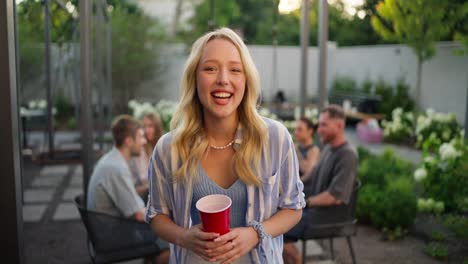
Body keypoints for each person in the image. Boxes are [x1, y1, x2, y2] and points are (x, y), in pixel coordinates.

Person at [145, 27, 305, 264]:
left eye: (235, 70)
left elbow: (294, 208)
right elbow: (157, 214)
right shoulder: (169, 148)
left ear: (246, 80)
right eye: (210, 68)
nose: (223, 79)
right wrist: (185, 236)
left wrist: (254, 234)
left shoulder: (275, 138)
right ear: (194, 78)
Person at [87, 115, 169, 263]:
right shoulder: (116, 168)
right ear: (129, 141)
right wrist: (170, 220)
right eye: (140, 137)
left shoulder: (112, 160)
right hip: (114, 236)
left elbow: (130, 197)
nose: (144, 141)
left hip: (109, 229)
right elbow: (138, 214)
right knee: (173, 244)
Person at [283, 105, 358, 264]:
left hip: (328, 218)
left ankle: (296, 260)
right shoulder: (329, 148)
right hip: (315, 212)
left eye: (324, 125)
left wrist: (304, 203)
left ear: (339, 126)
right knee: (276, 219)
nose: (319, 129)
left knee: (277, 229)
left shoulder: (347, 155)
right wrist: (289, 187)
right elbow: (312, 174)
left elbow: (334, 197)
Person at [129, 112, 164, 199]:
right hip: (140, 194)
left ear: (157, 127)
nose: (146, 130)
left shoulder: (163, 146)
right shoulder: (140, 149)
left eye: (150, 126)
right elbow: (143, 178)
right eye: (144, 126)